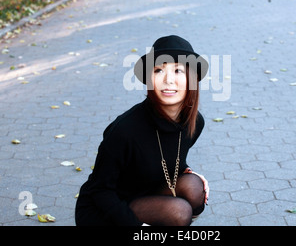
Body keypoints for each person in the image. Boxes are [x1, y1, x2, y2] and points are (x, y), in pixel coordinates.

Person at [75, 35, 210, 226]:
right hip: (104, 210)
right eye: (159, 70)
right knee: (179, 212)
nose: (168, 80)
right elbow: (100, 191)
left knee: (194, 188)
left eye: (178, 70)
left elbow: (167, 155)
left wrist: (187, 171)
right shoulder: (125, 130)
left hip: (144, 193)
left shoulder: (194, 123)